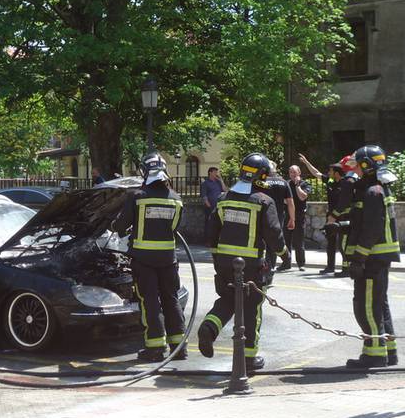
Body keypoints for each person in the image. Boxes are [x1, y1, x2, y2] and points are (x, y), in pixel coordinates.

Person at [198, 153, 288, 373]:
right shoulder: (264, 201)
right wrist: (285, 254)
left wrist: (217, 259)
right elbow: (274, 233)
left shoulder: (223, 198)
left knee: (227, 300)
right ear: (262, 176)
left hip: (225, 263)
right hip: (251, 266)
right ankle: (248, 358)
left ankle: (209, 327)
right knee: (251, 308)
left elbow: (211, 232)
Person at [112, 152, 186, 362]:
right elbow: (175, 228)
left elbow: (120, 225)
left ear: (145, 172)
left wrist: (115, 226)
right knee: (171, 299)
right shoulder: (176, 199)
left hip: (144, 260)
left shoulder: (137, 197)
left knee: (150, 301)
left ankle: (155, 347)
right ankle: (179, 347)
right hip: (168, 260)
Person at [345, 145, 400, 368]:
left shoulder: (372, 192)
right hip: (380, 257)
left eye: (358, 165)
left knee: (366, 306)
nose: (355, 170)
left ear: (367, 165)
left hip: (371, 258)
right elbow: (369, 222)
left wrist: (358, 258)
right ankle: (389, 350)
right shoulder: (380, 188)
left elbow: (372, 229)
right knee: (380, 304)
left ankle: (375, 355)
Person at [298, 154, 344, 274]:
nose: (328, 173)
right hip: (330, 217)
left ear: (337, 173)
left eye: (330, 171)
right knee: (331, 243)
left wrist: (335, 215)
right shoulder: (330, 181)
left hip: (342, 217)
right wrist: (306, 162)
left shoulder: (345, 184)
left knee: (344, 244)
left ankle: (346, 268)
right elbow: (316, 174)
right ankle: (330, 267)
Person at [252, 160, 295, 284]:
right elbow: (290, 203)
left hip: (260, 215)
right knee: (273, 243)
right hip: (277, 218)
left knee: (259, 242)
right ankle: (269, 271)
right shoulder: (283, 182)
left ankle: (259, 270)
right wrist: (292, 219)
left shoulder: (260, 182)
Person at [278, 164, 312, 271]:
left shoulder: (305, 184)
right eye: (290, 172)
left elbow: (302, 197)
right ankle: (286, 263)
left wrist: (297, 185)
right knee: (286, 241)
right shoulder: (286, 184)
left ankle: (301, 264)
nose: (292, 174)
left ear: (299, 173)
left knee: (298, 241)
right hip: (287, 214)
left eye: (294, 172)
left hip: (299, 215)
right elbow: (282, 199)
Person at [199, 167, 227, 241]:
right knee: (209, 224)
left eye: (216, 172)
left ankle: (216, 240)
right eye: (215, 172)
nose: (216, 174)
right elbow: (204, 196)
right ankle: (207, 241)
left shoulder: (218, 182)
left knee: (217, 224)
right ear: (210, 173)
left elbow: (225, 190)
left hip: (218, 207)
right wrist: (209, 206)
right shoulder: (205, 183)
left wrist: (221, 180)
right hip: (210, 207)